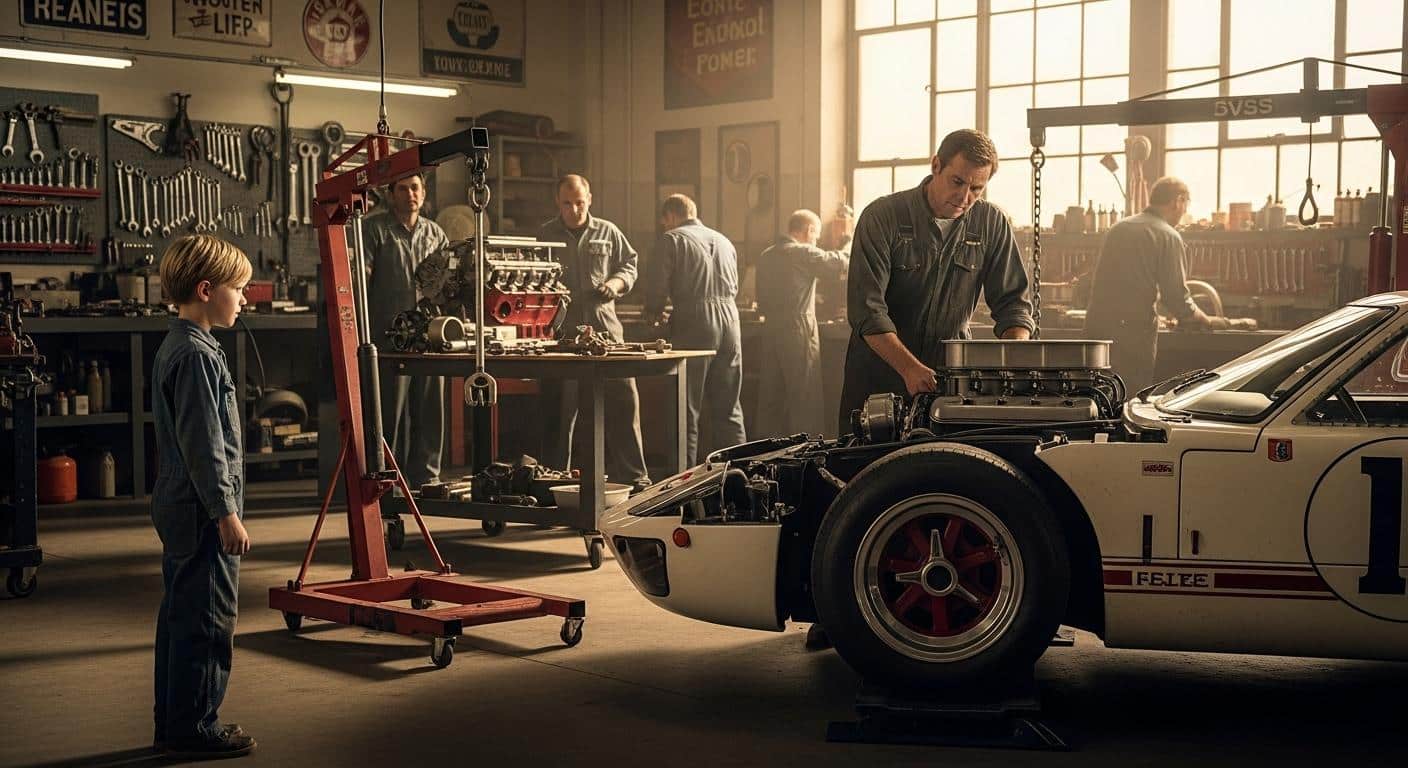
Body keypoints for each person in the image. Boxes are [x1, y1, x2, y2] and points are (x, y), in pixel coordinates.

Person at [839, 128, 1034, 435]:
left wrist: (1011, 358)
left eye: (977, 189)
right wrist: (908, 369)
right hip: (879, 380)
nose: (964, 197)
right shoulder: (882, 217)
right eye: (957, 182)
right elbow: (867, 311)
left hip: (948, 387)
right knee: (868, 475)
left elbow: (1014, 305)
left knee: (942, 476)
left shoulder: (992, 224)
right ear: (935, 166)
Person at [150, 234, 257, 759]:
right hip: (201, 511)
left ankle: (173, 723)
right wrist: (226, 513)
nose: (245, 298)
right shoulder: (195, 356)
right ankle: (196, 728)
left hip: (178, 504)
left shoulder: (182, 345)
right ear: (206, 288)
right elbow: (205, 447)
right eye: (238, 288)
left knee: (180, 617)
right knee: (208, 622)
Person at [540, 174, 652, 490]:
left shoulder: (608, 232)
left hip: (606, 334)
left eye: (579, 202)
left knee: (624, 403)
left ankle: (635, 477)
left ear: (590, 198)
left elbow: (630, 264)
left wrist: (616, 284)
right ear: (557, 203)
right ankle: (553, 478)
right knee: (559, 413)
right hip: (561, 336)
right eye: (567, 203)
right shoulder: (546, 235)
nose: (574, 209)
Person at [1083, 176, 1221, 391]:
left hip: (1097, 326)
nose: (1183, 212)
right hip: (1133, 333)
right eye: (1185, 205)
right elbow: (1176, 298)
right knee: (1129, 394)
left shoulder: (1119, 227)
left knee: (1098, 392)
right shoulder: (1168, 235)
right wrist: (1206, 319)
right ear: (1178, 201)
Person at [645, 194, 747, 465]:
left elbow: (656, 286)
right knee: (729, 408)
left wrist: (654, 311)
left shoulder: (671, 239)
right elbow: (735, 285)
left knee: (685, 409)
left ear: (670, 216)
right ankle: (739, 480)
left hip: (695, 321)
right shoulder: (724, 240)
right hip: (731, 320)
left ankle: (683, 486)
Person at [364, 172, 449, 487]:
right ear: (391, 193)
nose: (410, 194)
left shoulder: (436, 235)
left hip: (429, 337)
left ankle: (427, 476)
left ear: (423, 193)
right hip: (389, 338)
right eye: (402, 188)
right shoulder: (374, 230)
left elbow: (442, 288)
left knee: (429, 411)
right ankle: (389, 476)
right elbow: (362, 280)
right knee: (390, 413)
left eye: (415, 188)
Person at [755, 209, 850, 437]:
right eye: (816, 236)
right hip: (797, 330)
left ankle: (765, 457)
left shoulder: (766, 255)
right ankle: (807, 457)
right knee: (805, 400)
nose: (816, 241)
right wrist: (847, 244)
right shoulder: (802, 252)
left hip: (770, 330)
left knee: (771, 400)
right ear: (808, 231)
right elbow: (837, 262)